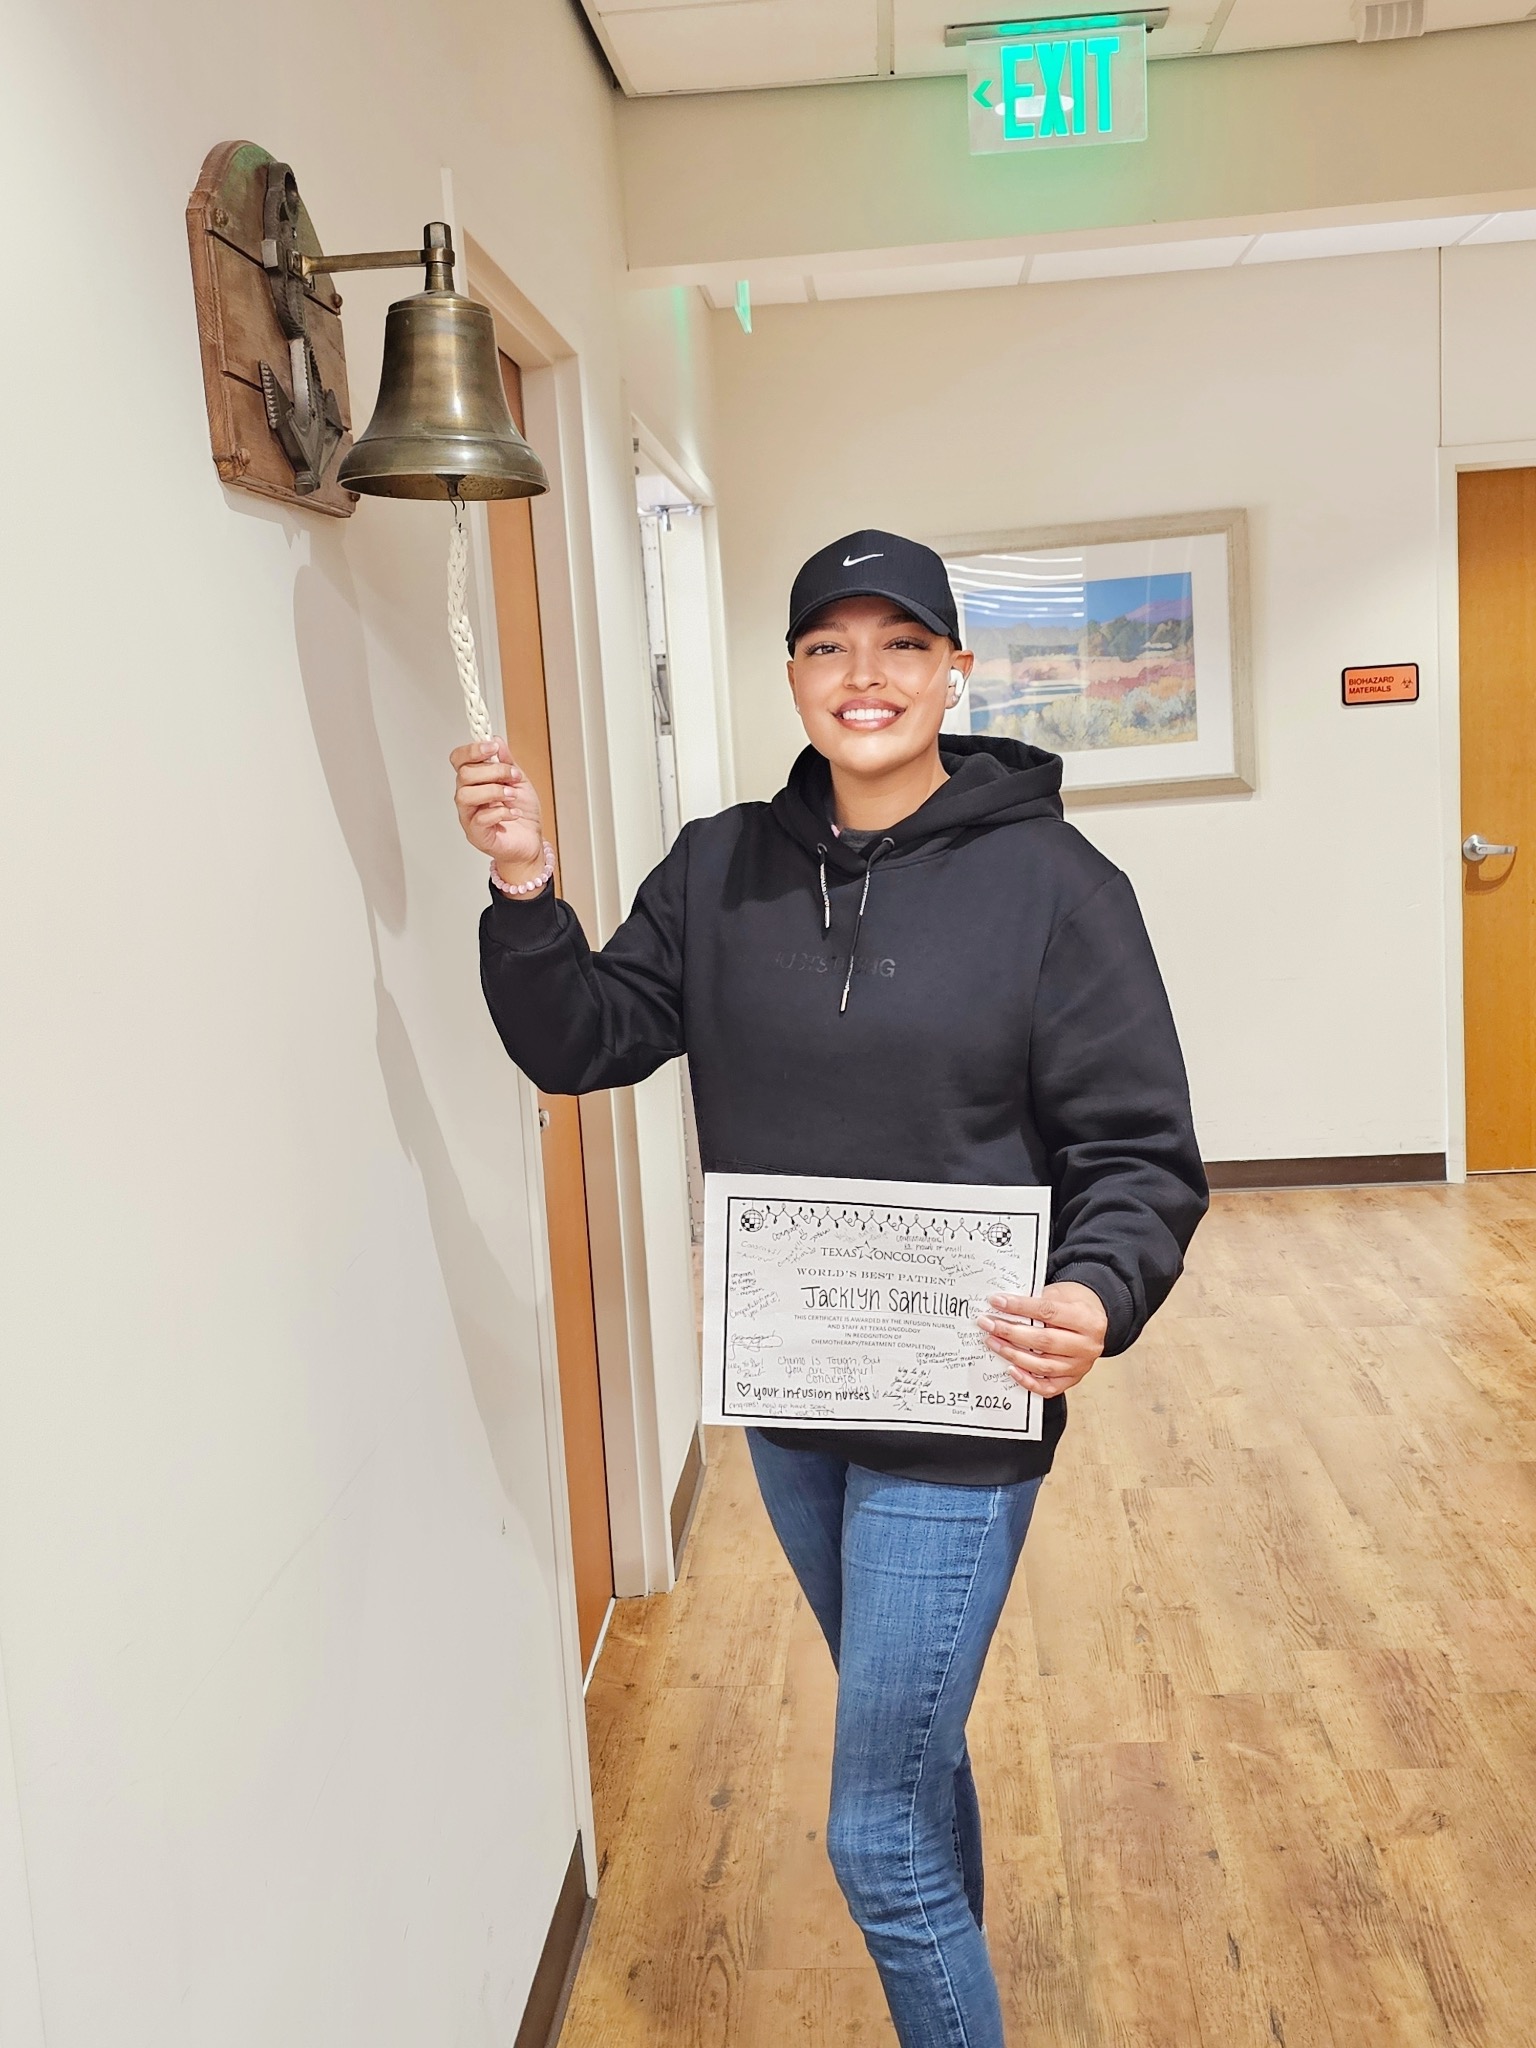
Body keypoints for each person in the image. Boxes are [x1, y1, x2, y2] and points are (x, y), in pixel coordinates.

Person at [452, 528, 1207, 2048]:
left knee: (872, 1834)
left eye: (902, 644)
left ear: (955, 671)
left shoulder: (1058, 885)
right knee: (910, 1759)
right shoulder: (717, 866)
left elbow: (1136, 1146)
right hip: (798, 1400)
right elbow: (584, 1039)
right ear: (793, 673)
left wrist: (1097, 1292)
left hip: (963, 1401)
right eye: (829, 647)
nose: (866, 676)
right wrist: (526, 885)